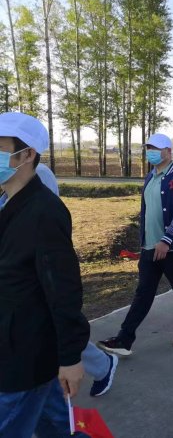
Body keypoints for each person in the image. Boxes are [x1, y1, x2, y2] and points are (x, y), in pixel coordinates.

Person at [0, 112, 90, 436]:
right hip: (13, 342)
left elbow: (63, 290)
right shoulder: (6, 200)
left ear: (27, 155)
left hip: (24, 354)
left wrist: (71, 357)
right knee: (56, 424)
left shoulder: (45, 212)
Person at [1, 164, 119, 397]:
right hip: (16, 292)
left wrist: (70, 359)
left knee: (54, 330)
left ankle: (102, 365)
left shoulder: (39, 180)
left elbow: (44, 230)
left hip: (34, 282)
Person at [98, 133, 173, 356]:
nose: (151, 152)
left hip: (172, 248)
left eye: (156, 149)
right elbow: (147, 211)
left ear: (168, 152)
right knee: (143, 293)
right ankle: (124, 340)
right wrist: (145, 242)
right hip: (149, 247)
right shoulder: (150, 176)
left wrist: (167, 239)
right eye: (149, 148)